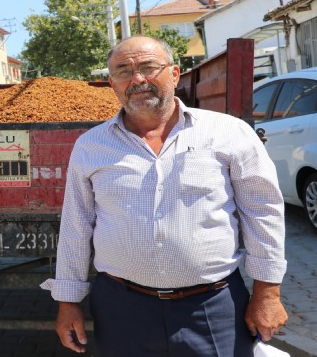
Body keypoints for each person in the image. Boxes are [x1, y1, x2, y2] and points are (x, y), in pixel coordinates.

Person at [41, 35, 288, 356]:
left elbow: (263, 210)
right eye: (123, 71)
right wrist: (68, 301)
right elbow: (76, 226)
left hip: (213, 305)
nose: (137, 79)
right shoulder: (91, 146)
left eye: (147, 67)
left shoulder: (228, 132)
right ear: (111, 84)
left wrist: (267, 293)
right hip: (122, 309)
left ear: (174, 74)